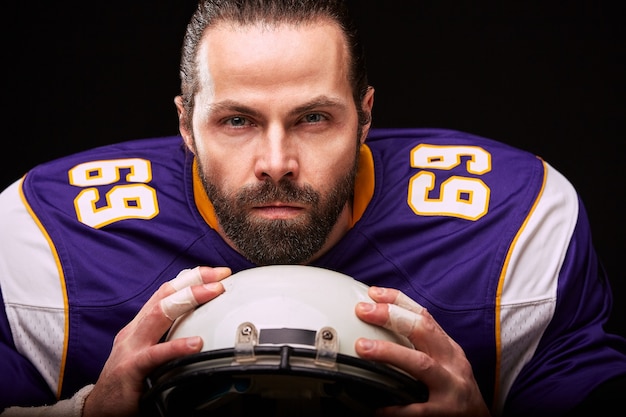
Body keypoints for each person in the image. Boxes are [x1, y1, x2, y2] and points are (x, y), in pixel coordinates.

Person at [1, 0, 624, 415]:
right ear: (186, 126)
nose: (277, 161)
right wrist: (86, 411)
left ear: (367, 116)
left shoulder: (513, 224)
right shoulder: (47, 238)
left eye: (315, 118)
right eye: (238, 120)